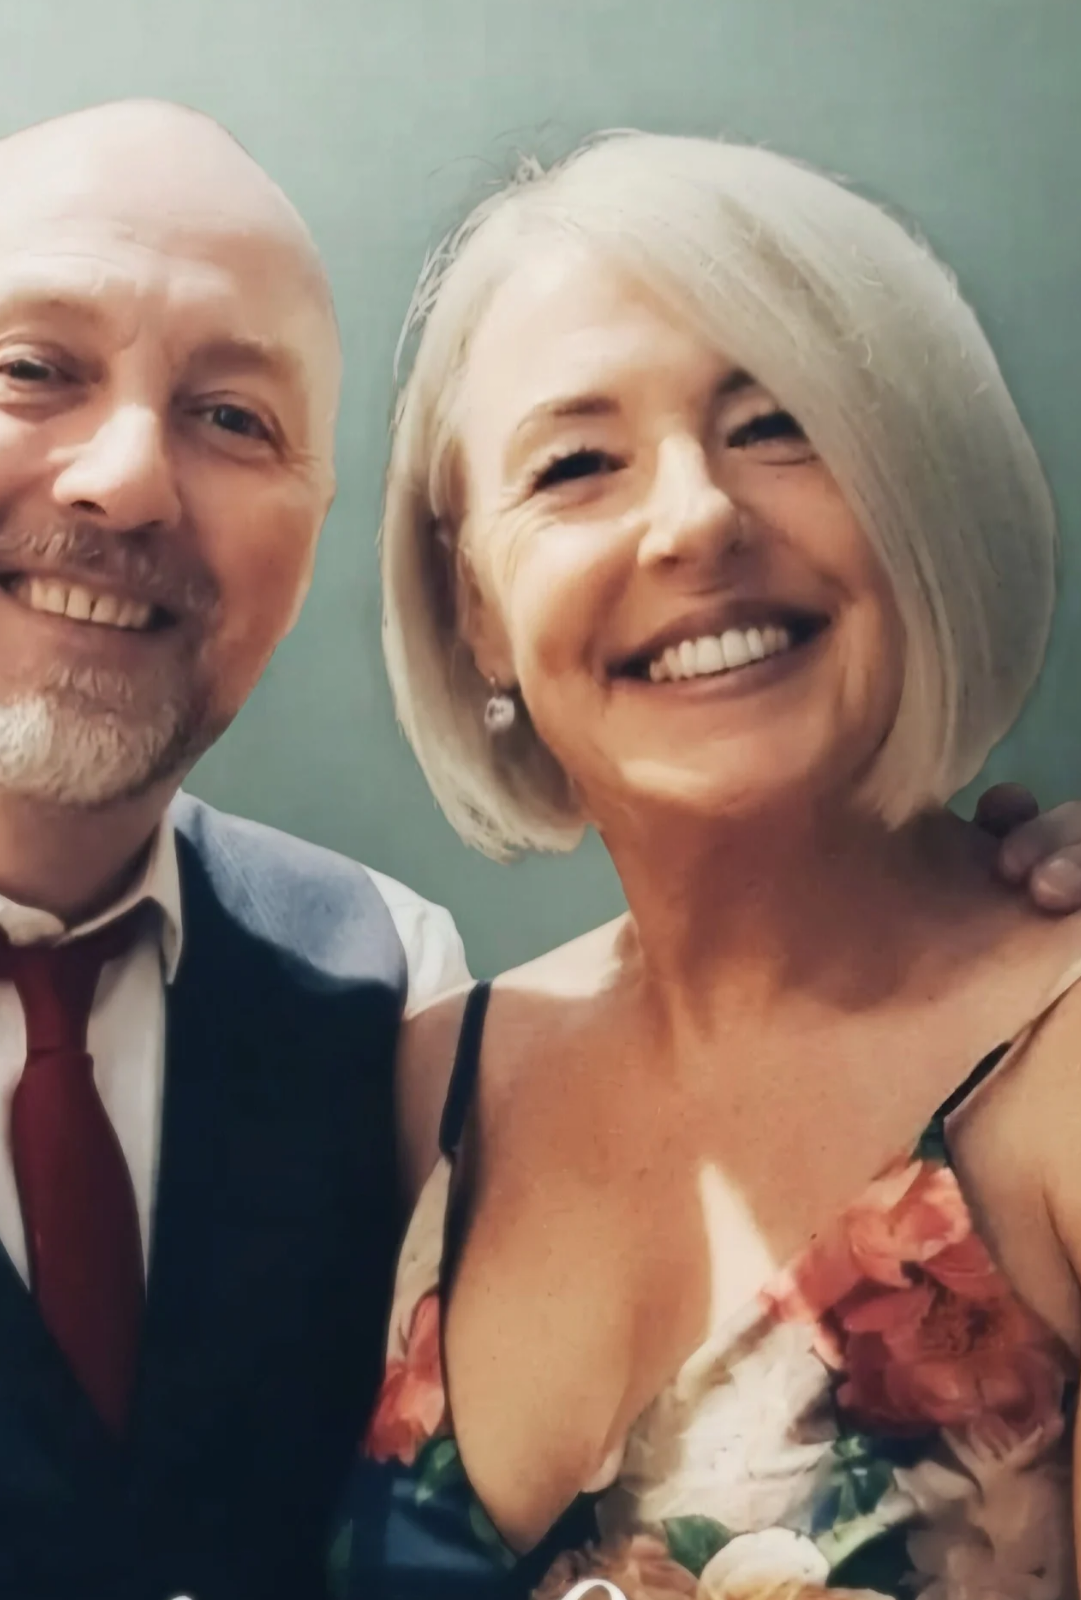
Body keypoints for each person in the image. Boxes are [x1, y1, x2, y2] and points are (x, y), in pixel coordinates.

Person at [0, 105, 1071, 1600]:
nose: (125, 477)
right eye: (32, 368)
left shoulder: (378, 992)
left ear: (311, 542)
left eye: (232, 417)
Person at [331, 131, 1081, 1600]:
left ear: (914, 489)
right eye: (576, 465)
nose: (695, 517)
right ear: (475, 607)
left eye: (779, 424)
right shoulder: (427, 1089)